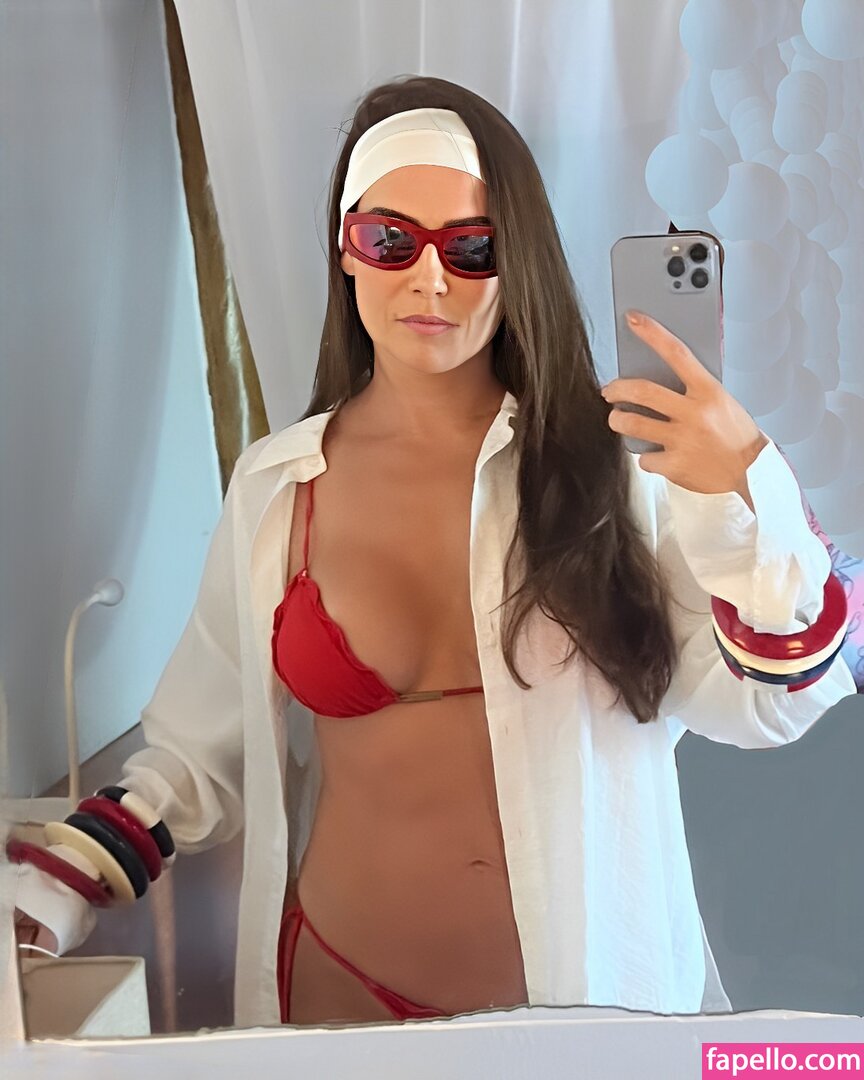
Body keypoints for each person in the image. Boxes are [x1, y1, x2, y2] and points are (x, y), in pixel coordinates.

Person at [10, 75, 856, 1028]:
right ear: (346, 249)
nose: (430, 280)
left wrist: (741, 492)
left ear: (514, 262)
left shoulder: (619, 473)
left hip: (589, 1010)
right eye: (390, 240)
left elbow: (769, 704)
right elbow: (197, 751)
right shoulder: (279, 488)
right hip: (339, 1002)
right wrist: (55, 885)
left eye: (471, 248)